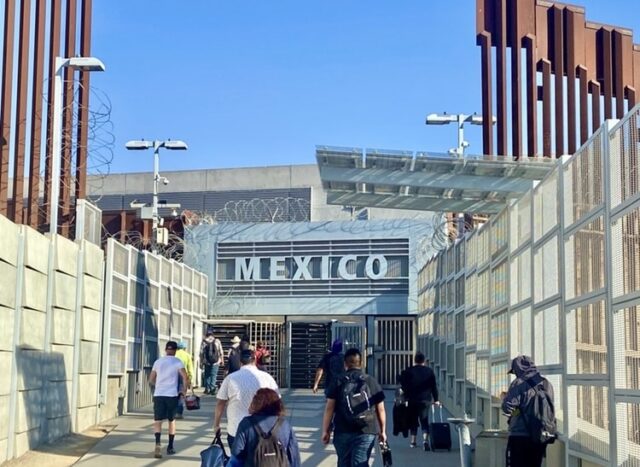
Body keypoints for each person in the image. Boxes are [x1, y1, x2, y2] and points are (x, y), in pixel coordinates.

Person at [321, 348, 387, 467]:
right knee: (360, 463)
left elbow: (329, 408)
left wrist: (326, 430)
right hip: (367, 430)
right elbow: (380, 409)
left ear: (345, 364)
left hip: (342, 430)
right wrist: (382, 431)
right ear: (361, 363)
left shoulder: (338, 381)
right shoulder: (370, 381)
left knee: (343, 463)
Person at [214, 348, 280, 449]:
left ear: (240, 362)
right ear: (255, 360)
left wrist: (216, 425)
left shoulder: (230, 378)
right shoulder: (267, 378)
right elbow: (277, 402)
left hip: (236, 429)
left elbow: (220, 403)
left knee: (238, 460)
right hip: (262, 428)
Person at [502, 355, 556, 467]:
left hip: (520, 435)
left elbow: (507, 407)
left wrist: (505, 399)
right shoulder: (546, 383)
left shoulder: (518, 383)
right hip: (541, 435)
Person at [230, 388, 301, 467]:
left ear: (256, 403)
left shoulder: (246, 423)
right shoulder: (284, 424)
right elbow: (294, 455)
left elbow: (236, 452)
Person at [149, 341, 188, 458]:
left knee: (158, 420)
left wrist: (159, 385)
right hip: (172, 395)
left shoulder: (158, 362)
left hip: (159, 394)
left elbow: (151, 379)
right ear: (175, 351)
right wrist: (184, 391)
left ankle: (157, 443)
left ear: (166, 350)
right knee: (171, 420)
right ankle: (170, 446)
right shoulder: (178, 362)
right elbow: (185, 377)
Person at [399, 351, 440, 450]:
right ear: (424, 361)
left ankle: (413, 442)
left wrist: (404, 398)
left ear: (415, 360)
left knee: (413, 420)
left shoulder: (409, 371)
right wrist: (436, 399)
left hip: (412, 400)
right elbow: (434, 387)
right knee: (424, 420)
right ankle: (425, 441)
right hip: (425, 400)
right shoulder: (429, 371)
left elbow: (404, 387)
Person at [175, 341, 194, 419]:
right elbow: (190, 369)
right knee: (181, 394)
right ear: (185, 348)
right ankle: (179, 413)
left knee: (172, 394)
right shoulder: (187, 355)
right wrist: (190, 380)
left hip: (173, 376)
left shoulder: (174, 354)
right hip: (183, 376)